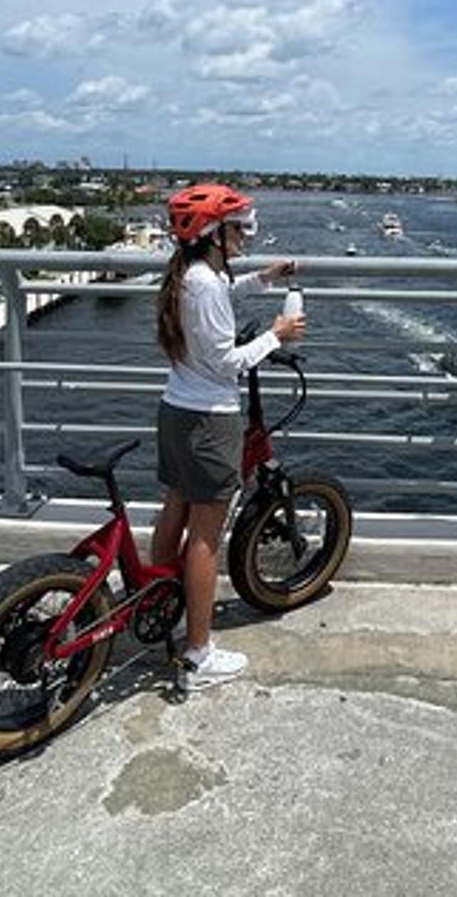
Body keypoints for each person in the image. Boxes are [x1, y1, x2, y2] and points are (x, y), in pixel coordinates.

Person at [152, 182, 304, 689]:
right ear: (215, 233)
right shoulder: (206, 284)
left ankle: (166, 610)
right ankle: (198, 654)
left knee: (174, 510)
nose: (244, 235)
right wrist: (275, 336)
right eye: (238, 227)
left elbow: (220, 299)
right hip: (209, 421)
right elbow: (226, 363)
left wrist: (263, 279)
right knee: (205, 540)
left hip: (175, 411)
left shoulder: (189, 276)